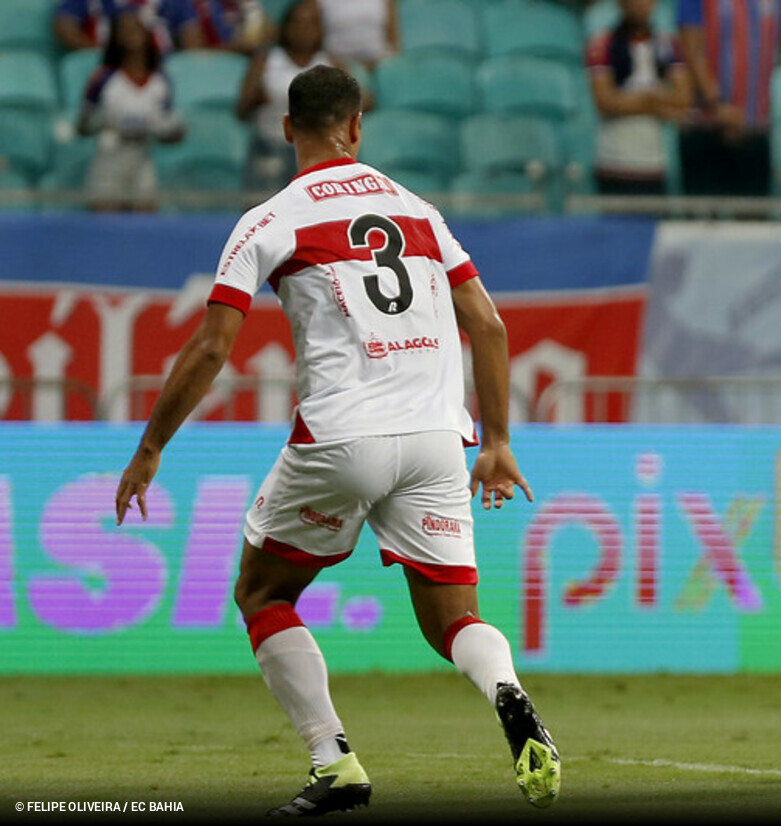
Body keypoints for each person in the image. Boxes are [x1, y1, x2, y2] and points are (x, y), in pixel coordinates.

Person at [114, 64, 560, 815]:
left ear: (287, 129)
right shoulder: (418, 210)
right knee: (455, 620)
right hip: (435, 439)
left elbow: (212, 347)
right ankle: (509, 692)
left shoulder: (269, 219)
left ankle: (335, 763)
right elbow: (488, 322)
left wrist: (152, 445)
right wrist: (499, 438)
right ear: (357, 127)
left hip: (342, 437)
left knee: (261, 592)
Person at [675, 0, 781, 196]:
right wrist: (717, 106)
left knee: (753, 220)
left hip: (754, 130)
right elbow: (691, 49)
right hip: (704, 128)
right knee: (700, 220)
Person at [77, 8, 185, 212]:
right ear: (115, 36)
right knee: (105, 214)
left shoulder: (160, 79)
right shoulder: (102, 78)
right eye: (124, 29)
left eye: (136, 27)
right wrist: (103, 121)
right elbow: (82, 126)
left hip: (143, 154)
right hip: (110, 155)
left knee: (145, 214)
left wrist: (164, 128)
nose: (131, 33)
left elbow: (173, 132)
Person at [235, 0, 342, 195]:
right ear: (286, 26)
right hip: (270, 147)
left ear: (320, 28)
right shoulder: (266, 61)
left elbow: (362, 101)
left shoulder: (330, 63)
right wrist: (257, 99)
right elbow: (241, 109)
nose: (304, 30)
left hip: (316, 152)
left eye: (311, 23)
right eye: (298, 23)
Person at [586, 0, 692, 195]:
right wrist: (655, 103)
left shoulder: (666, 45)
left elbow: (683, 98)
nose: (641, 5)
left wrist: (634, 101)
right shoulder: (603, 44)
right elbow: (605, 101)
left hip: (654, 165)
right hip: (614, 163)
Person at [54, 0, 204, 53]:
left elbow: (191, 34)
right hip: (105, 62)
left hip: (160, 67)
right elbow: (64, 24)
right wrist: (98, 54)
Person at [316, 0, 399, 71]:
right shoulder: (319, 2)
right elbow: (314, 41)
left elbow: (393, 39)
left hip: (379, 64)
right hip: (336, 65)